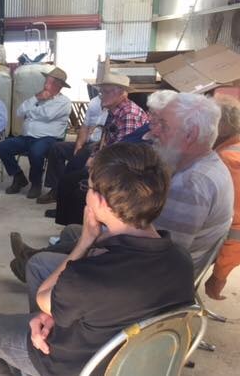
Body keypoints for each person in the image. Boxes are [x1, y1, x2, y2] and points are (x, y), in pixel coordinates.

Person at [0, 142, 194, 376]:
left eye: (87, 187)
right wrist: (48, 314)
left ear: (100, 201)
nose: (86, 194)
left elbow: (43, 296)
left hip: (74, 365)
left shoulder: (86, 276)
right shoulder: (182, 260)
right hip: (140, 362)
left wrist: (85, 241)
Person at [18, 93, 232, 312]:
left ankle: (46, 328)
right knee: (74, 231)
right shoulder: (205, 164)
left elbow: (156, 255)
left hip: (146, 281)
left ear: (191, 135)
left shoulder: (191, 186)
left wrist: (94, 245)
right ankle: (32, 258)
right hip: (162, 262)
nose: (153, 131)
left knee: (41, 264)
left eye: (164, 126)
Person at [46, 71, 148, 223]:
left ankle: (75, 227)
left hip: (122, 170)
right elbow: (105, 140)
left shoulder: (129, 114)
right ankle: (69, 226)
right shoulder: (114, 111)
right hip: (109, 159)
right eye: (101, 92)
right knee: (69, 175)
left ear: (121, 93)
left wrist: (96, 163)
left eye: (106, 92)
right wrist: (94, 155)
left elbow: (123, 152)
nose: (101, 95)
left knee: (76, 184)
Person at [0, 67, 72, 198]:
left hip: (49, 139)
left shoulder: (64, 102)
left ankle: (36, 183)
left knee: (36, 152)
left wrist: (31, 112)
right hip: (27, 137)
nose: (45, 85)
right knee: (2, 147)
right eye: (46, 81)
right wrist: (36, 98)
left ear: (58, 85)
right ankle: (18, 177)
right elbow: (19, 112)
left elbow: (48, 115)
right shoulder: (38, 97)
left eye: (48, 82)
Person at [36, 94, 107, 204]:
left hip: (100, 146)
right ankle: (56, 189)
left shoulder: (116, 108)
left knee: (79, 158)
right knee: (57, 148)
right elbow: (85, 126)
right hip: (87, 142)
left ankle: (69, 194)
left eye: (107, 89)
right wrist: (78, 144)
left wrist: (92, 151)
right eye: (102, 89)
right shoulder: (94, 102)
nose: (103, 92)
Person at [205, 95, 240, 300]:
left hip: (223, 245)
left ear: (222, 126)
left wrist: (219, 276)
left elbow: (236, 228)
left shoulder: (227, 160)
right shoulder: (227, 151)